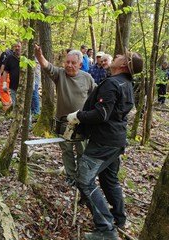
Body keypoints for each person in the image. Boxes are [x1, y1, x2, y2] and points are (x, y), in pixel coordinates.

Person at [66, 51, 143, 239]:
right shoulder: (126, 84)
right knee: (109, 180)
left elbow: (101, 114)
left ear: (124, 65)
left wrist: (78, 116)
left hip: (104, 143)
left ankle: (106, 230)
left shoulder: (112, 84)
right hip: (115, 141)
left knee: (84, 181)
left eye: (121, 56)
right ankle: (119, 218)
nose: (117, 55)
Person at [34, 45, 95, 185]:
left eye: (73, 63)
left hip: (82, 123)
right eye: (67, 62)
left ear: (80, 64)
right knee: (66, 150)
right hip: (63, 123)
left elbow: (94, 96)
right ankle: (70, 176)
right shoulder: (60, 74)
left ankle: (81, 177)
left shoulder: (87, 78)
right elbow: (47, 67)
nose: (69, 65)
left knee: (82, 151)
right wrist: (39, 56)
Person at [3, 41, 22, 108]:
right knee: (14, 104)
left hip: (23, 86)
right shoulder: (10, 58)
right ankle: (16, 118)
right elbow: (5, 71)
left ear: (22, 47)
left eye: (18, 46)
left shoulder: (25, 58)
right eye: (15, 46)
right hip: (13, 85)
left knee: (24, 106)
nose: (17, 48)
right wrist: (4, 83)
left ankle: (28, 118)